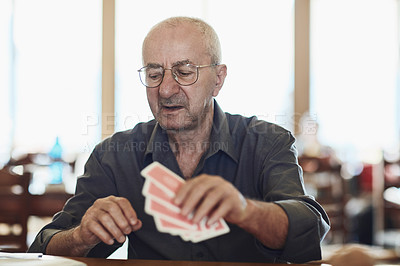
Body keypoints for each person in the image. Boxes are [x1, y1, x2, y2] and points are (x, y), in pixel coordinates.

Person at [28, 16, 330, 263]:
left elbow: (309, 228)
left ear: (218, 79)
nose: (166, 89)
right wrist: (81, 236)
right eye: (154, 73)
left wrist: (245, 210)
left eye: (184, 72)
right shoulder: (114, 155)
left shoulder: (266, 142)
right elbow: (42, 249)